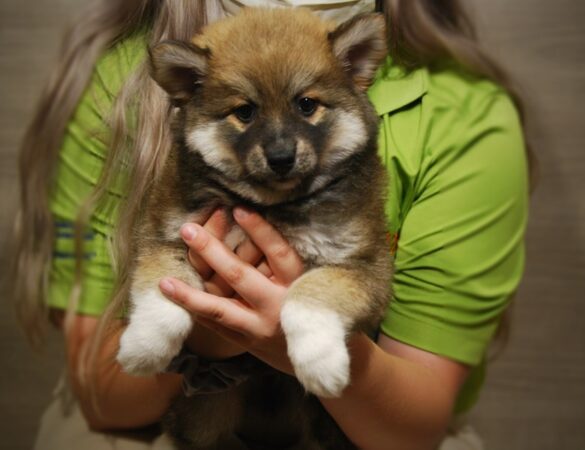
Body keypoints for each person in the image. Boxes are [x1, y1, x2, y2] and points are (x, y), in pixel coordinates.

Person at [12, 0, 531, 449]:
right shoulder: (118, 80)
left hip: (357, 428)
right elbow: (105, 399)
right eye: (243, 112)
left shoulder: (465, 115)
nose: (281, 149)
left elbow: (411, 428)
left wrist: (300, 324)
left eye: (308, 106)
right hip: (162, 426)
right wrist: (210, 339)